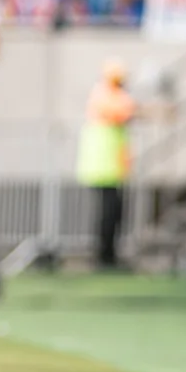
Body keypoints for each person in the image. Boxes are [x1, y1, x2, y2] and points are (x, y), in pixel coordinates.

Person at [76, 60, 136, 270]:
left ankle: (109, 253)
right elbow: (124, 112)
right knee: (108, 212)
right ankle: (105, 255)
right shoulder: (105, 95)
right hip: (104, 166)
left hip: (109, 166)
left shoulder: (106, 94)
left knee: (113, 211)